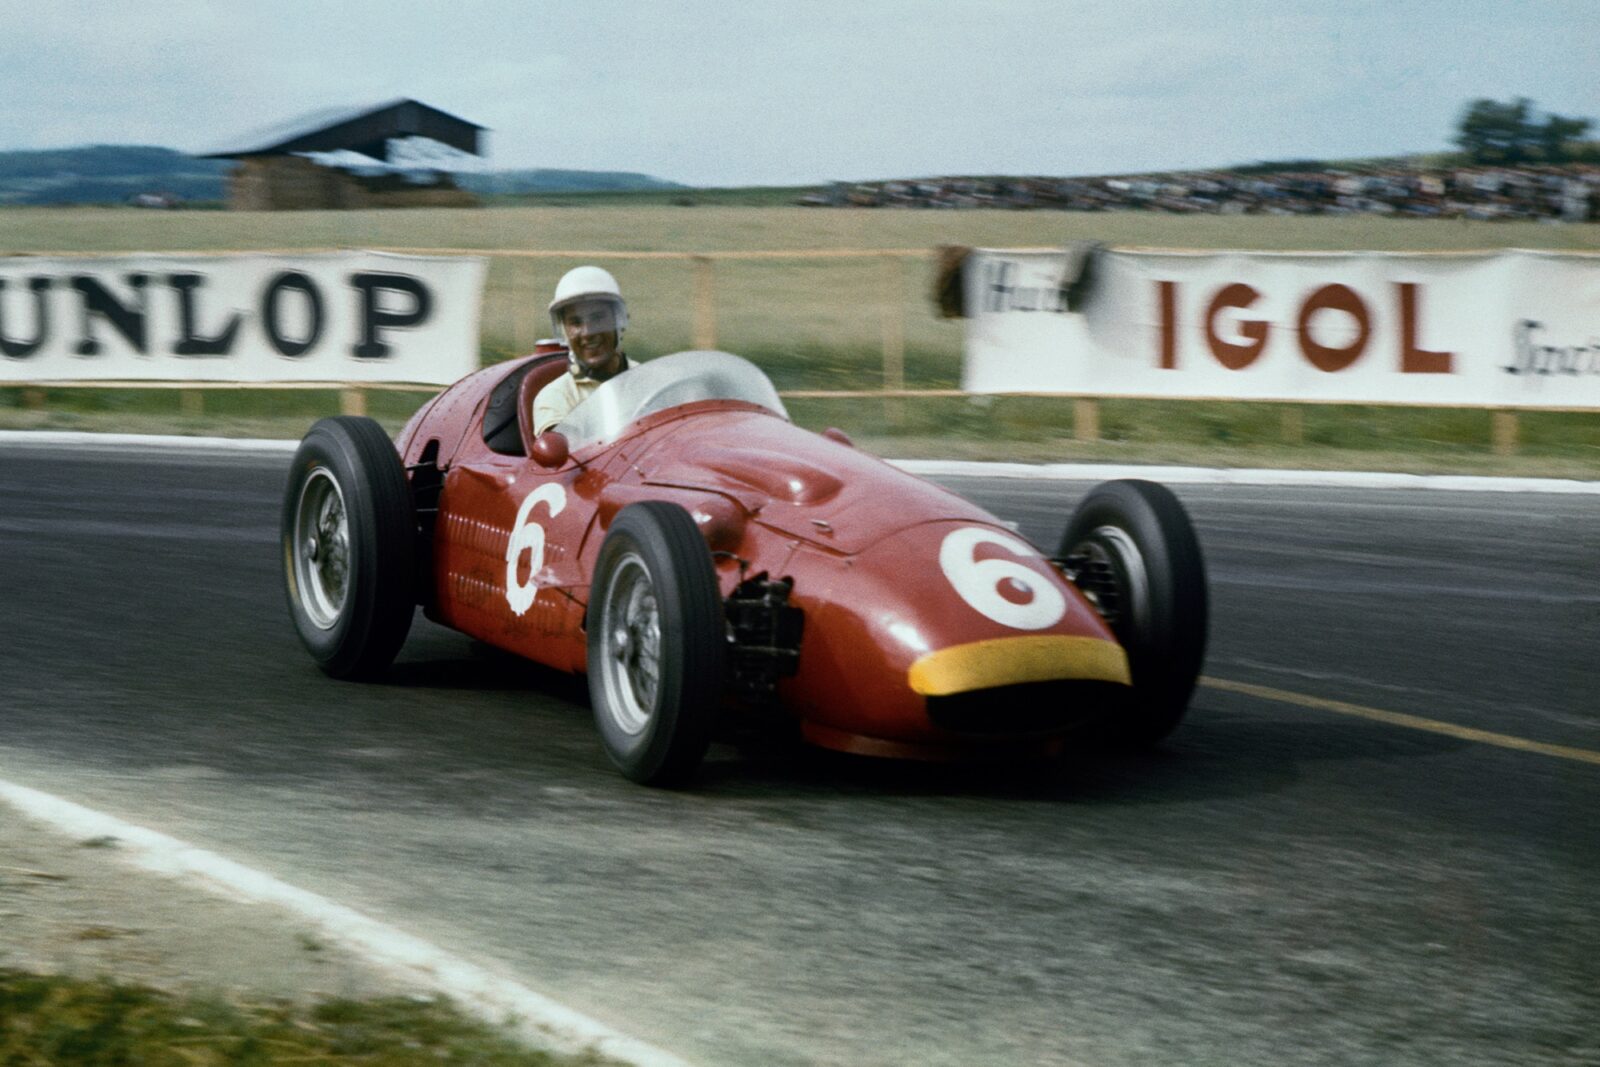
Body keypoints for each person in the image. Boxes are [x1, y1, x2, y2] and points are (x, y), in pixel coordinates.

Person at [532, 266, 633, 436]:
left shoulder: (648, 380)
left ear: (618, 321)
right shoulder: (556, 397)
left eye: (597, 318)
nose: (587, 333)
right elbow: (564, 457)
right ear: (564, 332)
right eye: (576, 323)